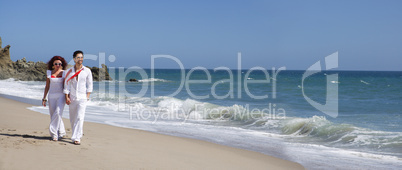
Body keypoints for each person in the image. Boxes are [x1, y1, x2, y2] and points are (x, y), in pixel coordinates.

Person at [63, 50, 93, 145]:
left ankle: (77, 138)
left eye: (82, 57)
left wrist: (87, 96)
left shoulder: (87, 71)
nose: (80, 59)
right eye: (78, 57)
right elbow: (66, 84)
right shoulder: (69, 71)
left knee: (80, 117)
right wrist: (66, 97)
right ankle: (76, 134)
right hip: (72, 98)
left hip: (82, 98)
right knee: (72, 118)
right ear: (74, 59)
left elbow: (90, 84)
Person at [42, 56, 68, 141]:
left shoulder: (64, 73)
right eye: (56, 63)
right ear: (53, 64)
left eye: (59, 64)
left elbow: (66, 86)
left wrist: (68, 97)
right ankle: (62, 132)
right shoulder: (49, 73)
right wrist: (44, 98)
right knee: (54, 114)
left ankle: (53, 133)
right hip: (51, 96)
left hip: (61, 96)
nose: (58, 65)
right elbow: (47, 86)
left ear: (62, 64)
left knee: (58, 112)